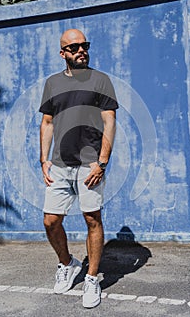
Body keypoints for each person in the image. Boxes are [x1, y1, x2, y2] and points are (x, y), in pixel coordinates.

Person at [39, 29, 118, 308]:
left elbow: (109, 122)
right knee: (50, 221)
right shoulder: (53, 83)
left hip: (89, 165)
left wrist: (102, 161)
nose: (81, 50)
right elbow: (47, 122)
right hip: (59, 165)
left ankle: (93, 279)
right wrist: (43, 159)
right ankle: (68, 264)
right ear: (63, 54)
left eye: (84, 45)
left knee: (91, 219)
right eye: (74, 47)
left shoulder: (100, 80)